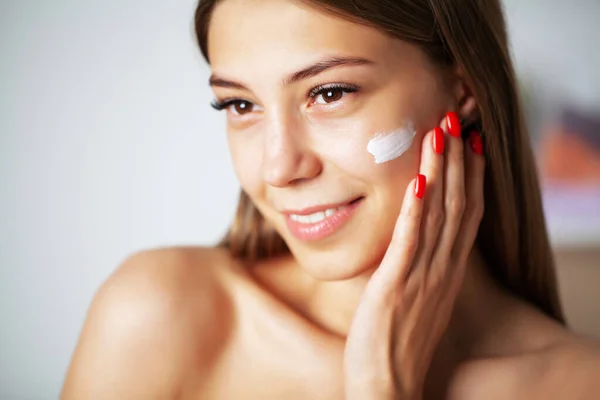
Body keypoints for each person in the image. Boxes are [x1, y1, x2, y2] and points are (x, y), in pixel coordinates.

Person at [61, 0, 600, 398]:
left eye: (329, 93)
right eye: (240, 105)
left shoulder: (578, 383)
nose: (278, 167)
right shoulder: (159, 316)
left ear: (464, 89)